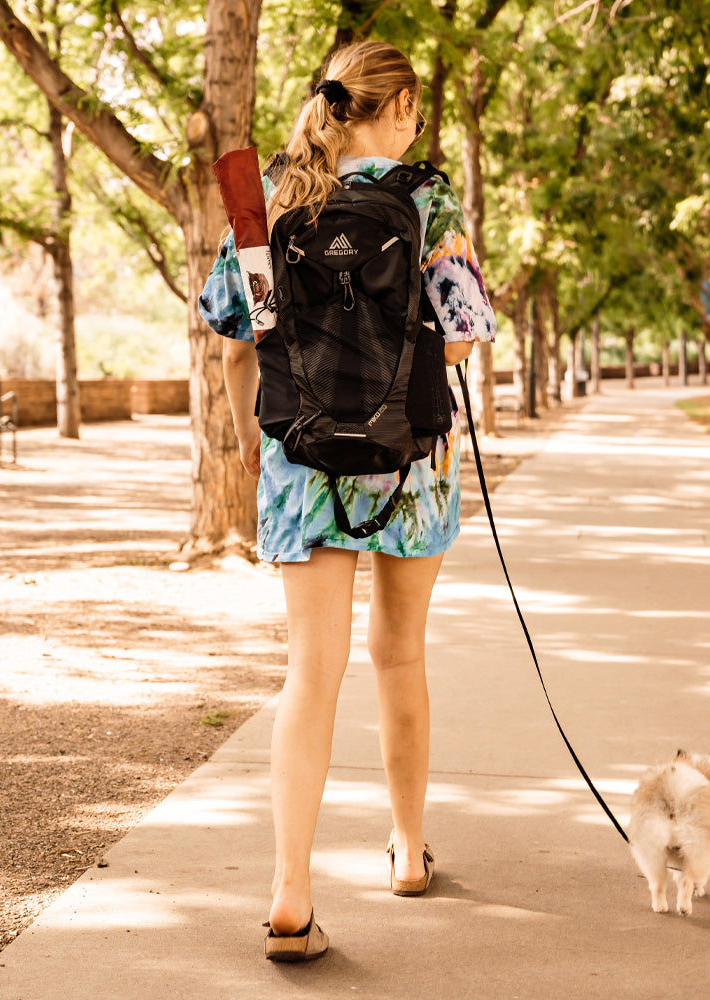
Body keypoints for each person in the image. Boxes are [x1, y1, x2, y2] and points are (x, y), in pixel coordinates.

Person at [198, 40, 496, 962]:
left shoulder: (274, 198)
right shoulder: (427, 196)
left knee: (310, 674)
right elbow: (463, 336)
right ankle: (407, 852)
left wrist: (268, 426)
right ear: (401, 104)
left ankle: (290, 895)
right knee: (399, 657)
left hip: (299, 459)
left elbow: (230, 326)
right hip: (409, 465)